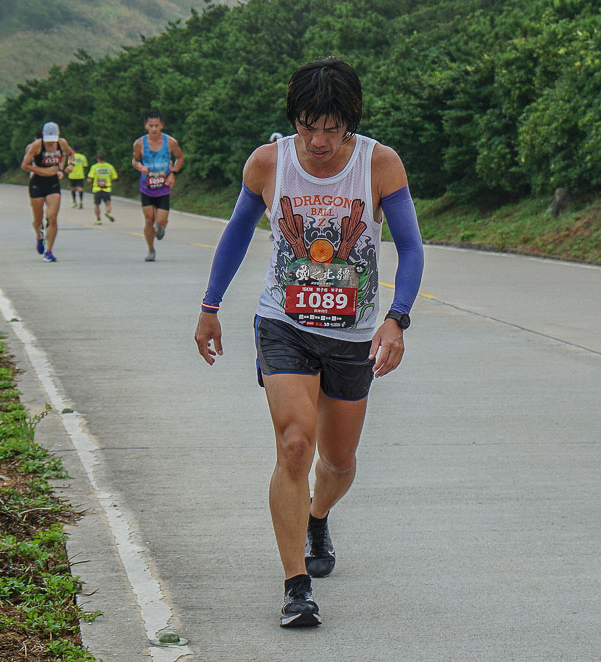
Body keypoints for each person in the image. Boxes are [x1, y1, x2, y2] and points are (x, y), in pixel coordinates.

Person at [193, 57, 424, 628]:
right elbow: (237, 233)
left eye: (332, 128)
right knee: (296, 442)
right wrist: (210, 306)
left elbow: (411, 249)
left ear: (350, 122)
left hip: (351, 335)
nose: (318, 141)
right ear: (293, 119)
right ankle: (296, 586)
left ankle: (318, 514)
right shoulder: (269, 162)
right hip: (284, 325)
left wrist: (396, 318)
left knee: (338, 461)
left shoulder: (379, 164)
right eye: (307, 125)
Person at [131, 110, 184, 262]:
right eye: (150, 125)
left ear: (162, 125)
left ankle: (161, 227)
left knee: (159, 221)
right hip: (146, 187)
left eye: (156, 125)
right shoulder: (139, 144)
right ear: (145, 126)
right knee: (149, 220)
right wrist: (140, 167)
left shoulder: (171, 142)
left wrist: (173, 172)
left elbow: (180, 157)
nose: (154, 129)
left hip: (163, 187)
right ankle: (151, 250)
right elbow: (134, 161)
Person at [21, 122, 77, 263]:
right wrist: (43, 171)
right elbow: (24, 165)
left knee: (52, 218)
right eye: (48, 141)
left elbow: (71, 154)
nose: (51, 144)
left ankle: (49, 251)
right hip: (37, 184)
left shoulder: (62, 143)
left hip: (53, 184)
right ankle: (39, 237)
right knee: (38, 221)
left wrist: (69, 166)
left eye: (53, 141)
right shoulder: (36, 146)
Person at [86, 152, 118, 225]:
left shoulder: (94, 167)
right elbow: (115, 177)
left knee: (97, 205)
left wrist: (89, 181)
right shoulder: (109, 166)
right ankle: (107, 212)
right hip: (106, 188)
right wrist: (109, 180)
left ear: (97, 158)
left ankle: (98, 219)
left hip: (97, 189)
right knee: (108, 203)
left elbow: (90, 178)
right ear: (105, 158)